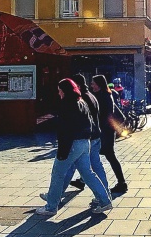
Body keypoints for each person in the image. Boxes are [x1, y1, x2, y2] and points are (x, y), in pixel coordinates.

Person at [38, 78, 112, 217]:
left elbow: (66, 129)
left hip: (72, 144)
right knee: (88, 173)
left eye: (59, 90)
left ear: (64, 90)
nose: (58, 93)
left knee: (58, 174)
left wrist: (62, 151)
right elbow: (89, 122)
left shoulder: (67, 104)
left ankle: (51, 206)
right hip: (84, 142)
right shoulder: (81, 101)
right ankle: (105, 200)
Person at [70, 73, 109, 197]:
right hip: (95, 135)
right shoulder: (91, 95)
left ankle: (103, 196)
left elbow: (81, 119)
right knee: (94, 166)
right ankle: (104, 194)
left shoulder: (84, 98)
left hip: (88, 137)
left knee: (71, 168)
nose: (91, 85)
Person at [92, 74, 128, 196]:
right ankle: (121, 183)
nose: (91, 85)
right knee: (107, 156)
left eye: (93, 83)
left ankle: (120, 183)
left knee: (107, 156)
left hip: (105, 132)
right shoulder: (107, 95)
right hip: (107, 131)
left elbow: (103, 115)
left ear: (98, 84)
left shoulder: (102, 96)